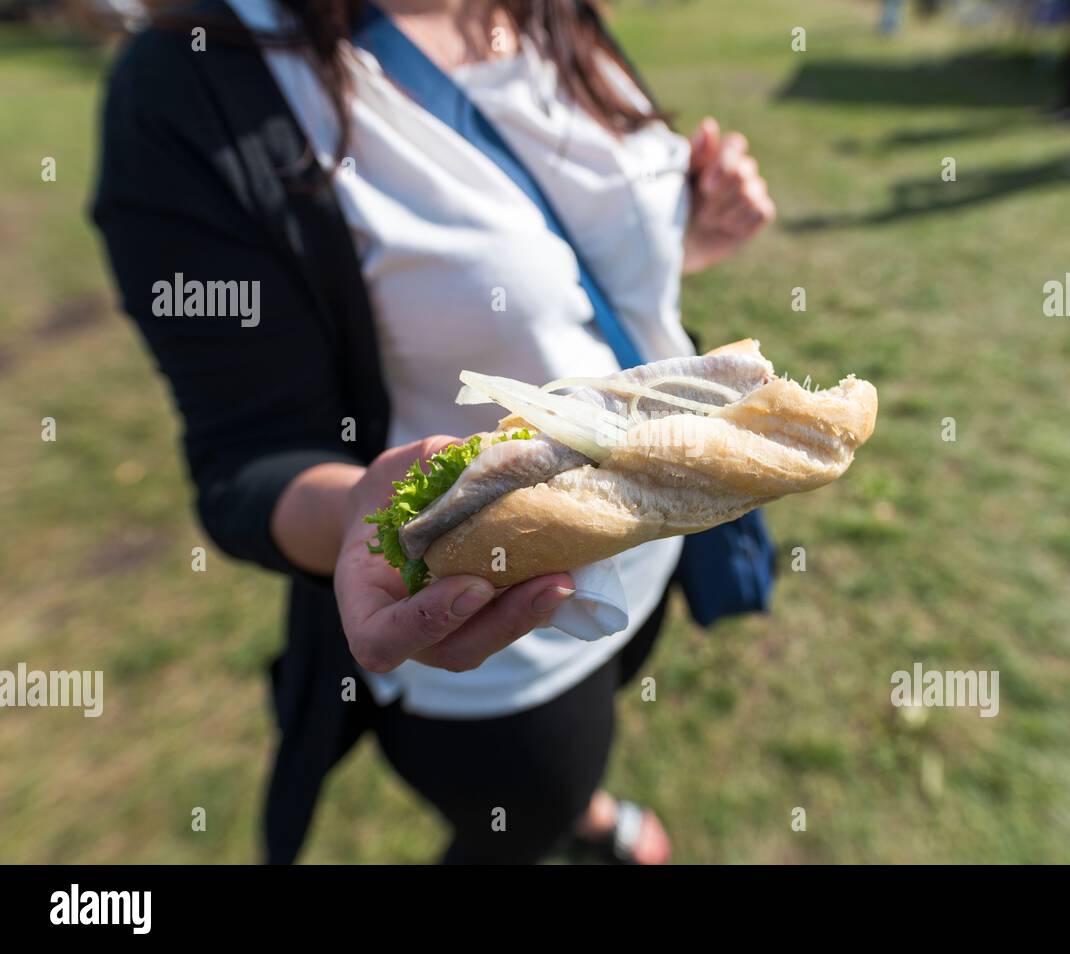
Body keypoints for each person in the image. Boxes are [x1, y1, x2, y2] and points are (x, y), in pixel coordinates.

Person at [91, 0, 774, 864]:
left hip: (656, 541)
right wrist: (365, 518)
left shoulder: (547, 12)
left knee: (603, 719)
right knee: (522, 814)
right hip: (492, 647)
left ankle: (587, 813)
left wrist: (691, 234)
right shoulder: (191, 78)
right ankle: (569, 816)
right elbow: (246, 461)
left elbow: (565, 264)